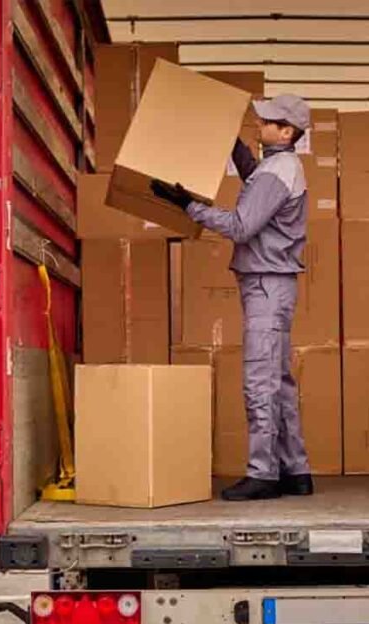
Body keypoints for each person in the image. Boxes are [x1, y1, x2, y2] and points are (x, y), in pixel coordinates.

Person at [151, 94, 312, 502]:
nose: (260, 126)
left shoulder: (280, 172)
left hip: (266, 286)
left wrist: (188, 205)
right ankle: (296, 470)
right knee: (280, 382)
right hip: (273, 284)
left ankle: (263, 474)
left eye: (267, 122)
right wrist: (233, 144)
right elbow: (254, 179)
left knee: (260, 382)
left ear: (287, 131)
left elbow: (241, 226)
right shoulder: (278, 167)